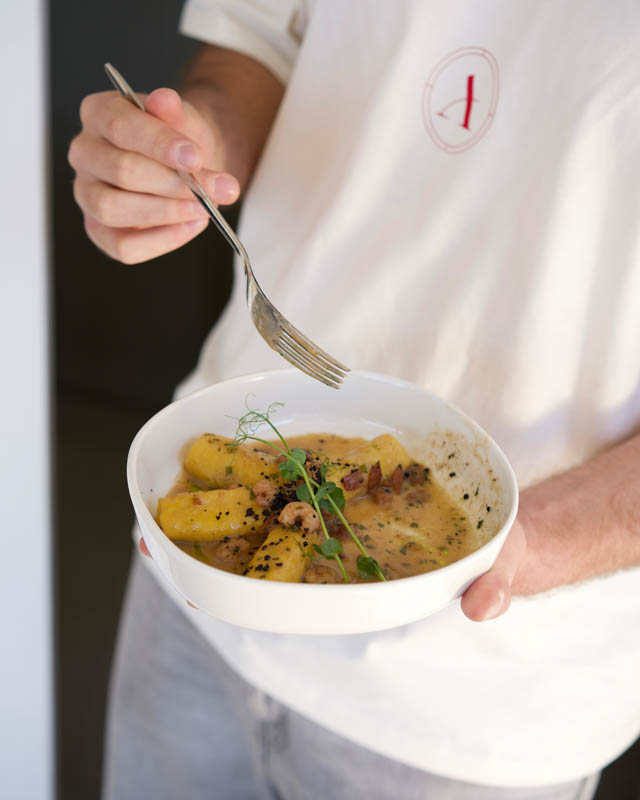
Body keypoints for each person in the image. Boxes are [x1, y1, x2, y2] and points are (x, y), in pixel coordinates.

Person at [68, 2, 640, 798]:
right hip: (197, 600)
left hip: (488, 695)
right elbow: (258, 38)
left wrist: (522, 545)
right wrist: (192, 154)